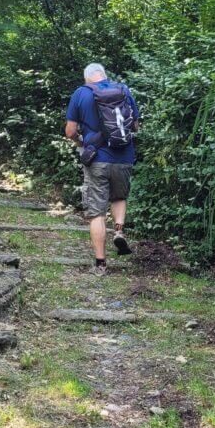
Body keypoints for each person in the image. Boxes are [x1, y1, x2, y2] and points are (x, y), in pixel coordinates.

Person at [65, 63, 139, 274]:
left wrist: (83, 143)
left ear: (87, 78)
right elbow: (134, 126)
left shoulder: (81, 93)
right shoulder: (123, 90)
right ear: (105, 75)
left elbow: (70, 131)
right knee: (118, 197)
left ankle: (101, 264)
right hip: (124, 156)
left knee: (97, 212)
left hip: (97, 159)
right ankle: (119, 231)